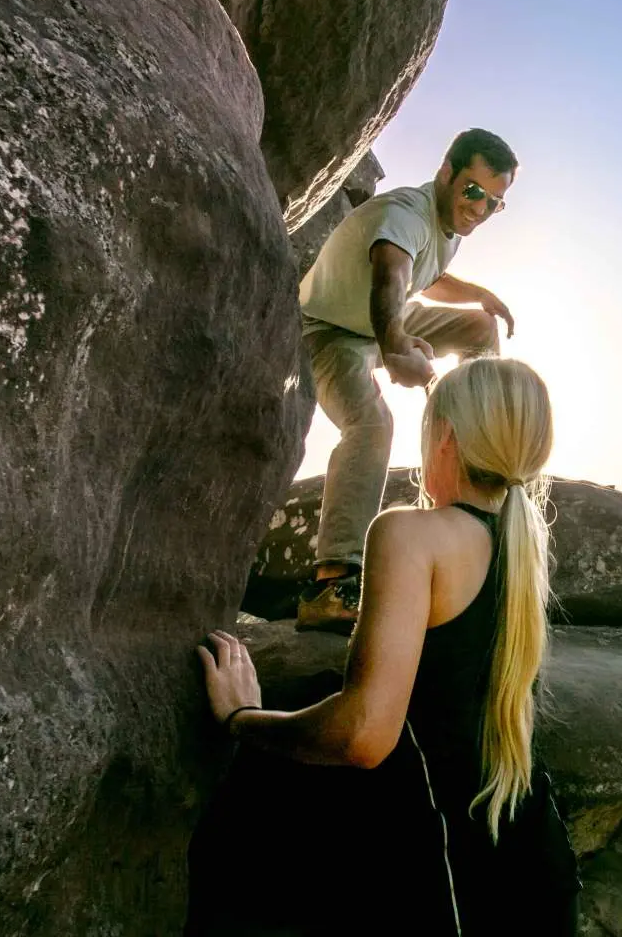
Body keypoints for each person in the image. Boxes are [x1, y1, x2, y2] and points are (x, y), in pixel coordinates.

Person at [198, 357, 579, 935]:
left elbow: (364, 734)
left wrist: (241, 718)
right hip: (530, 867)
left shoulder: (411, 533)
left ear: (445, 436)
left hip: (447, 881)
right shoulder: (521, 551)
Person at [295, 128, 520, 632]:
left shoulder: (448, 226)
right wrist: (396, 348)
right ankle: (331, 583)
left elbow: (428, 276)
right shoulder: (406, 213)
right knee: (372, 425)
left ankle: (474, 455)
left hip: (386, 320)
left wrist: (479, 295)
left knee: (479, 329)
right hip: (330, 331)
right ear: (446, 173)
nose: (479, 210)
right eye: (473, 192)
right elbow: (392, 275)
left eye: (493, 203)